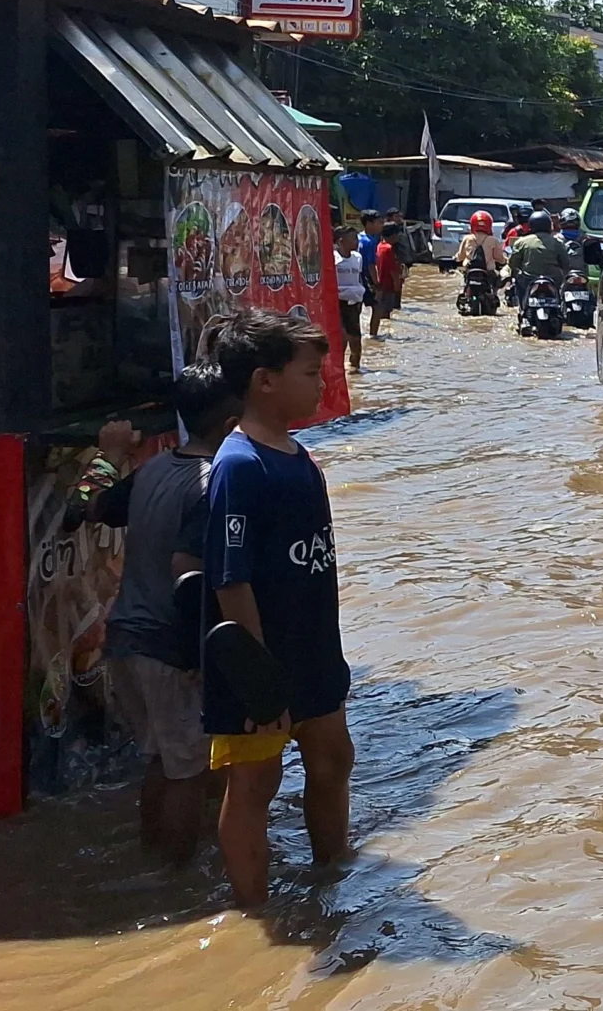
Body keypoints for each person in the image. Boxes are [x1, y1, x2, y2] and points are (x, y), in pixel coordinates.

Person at [201, 308, 354, 911]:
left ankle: (333, 877)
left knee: (334, 758)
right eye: (311, 373)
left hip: (314, 650)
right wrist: (259, 681)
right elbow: (230, 581)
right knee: (255, 785)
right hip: (260, 661)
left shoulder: (296, 453)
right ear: (265, 380)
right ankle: (253, 910)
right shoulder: (240, 466)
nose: (322, 383)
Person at [102, 365, 239, 863]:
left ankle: (152, 863)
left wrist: (111, 458)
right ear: (230, 423)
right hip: (171, 648)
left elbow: (95, 508)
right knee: (189, 772)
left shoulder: (154, 468)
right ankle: (178, 879)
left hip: (123, 639)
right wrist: (197, 653)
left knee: (162, 760)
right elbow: (194, 579)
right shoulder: (213, 484)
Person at [504, 211, 570, 306]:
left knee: (518, 280)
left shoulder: (521, 242)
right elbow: (565, 263)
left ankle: (523, 307)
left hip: (528, 279)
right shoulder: (557, 242)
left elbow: (513, 263)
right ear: (549, 225)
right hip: (553, 279)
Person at [333, 226, 366, 372]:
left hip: (354, 302)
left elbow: (359, 278)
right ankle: (338, 367)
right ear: (341, 241)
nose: (357, 241)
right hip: (337, 301)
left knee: (356, 338)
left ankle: (355, 367)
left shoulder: (358, 258)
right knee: (342, 336)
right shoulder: (332, 258)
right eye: (353, 238)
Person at [369, 214, 407, 337]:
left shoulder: (379, 246)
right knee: (386, 313)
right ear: (393, 235)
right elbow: (393, 271)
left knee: (381, 312)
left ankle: (377, 333)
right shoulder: (389, 249)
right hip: (388, 285)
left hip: (380, 285)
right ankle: (382, 335)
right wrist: (397, 286)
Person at [455, 210, 505, 276]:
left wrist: (454, 258)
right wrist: (505, 260)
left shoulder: (467, 238)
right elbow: (499, 258)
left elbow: (460, 257)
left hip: (469, 272)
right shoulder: (493, 240)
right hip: (488, 272)